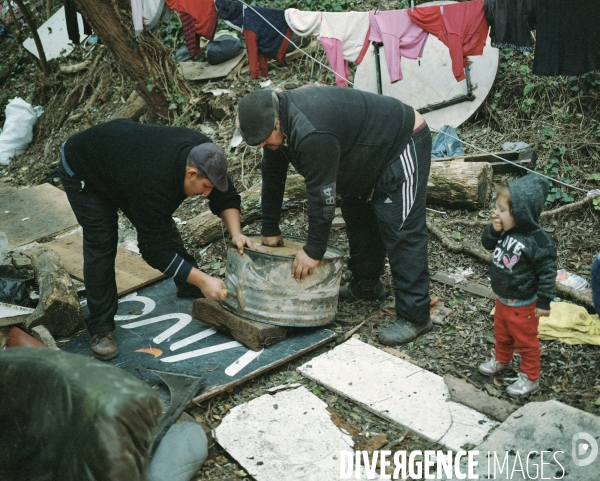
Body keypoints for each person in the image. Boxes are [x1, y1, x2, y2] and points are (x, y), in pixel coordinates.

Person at [236, 87, 432, 345]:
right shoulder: (278, 125)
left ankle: (416, 315)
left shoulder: (310, 132)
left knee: (401, 226)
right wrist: (269, 227)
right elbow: (272, 175)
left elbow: (322, 195)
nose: (263, 145)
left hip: (400, 142)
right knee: (357, 213)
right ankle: (367, 285)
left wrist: (313, 250)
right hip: (361, 151)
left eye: (264, 139)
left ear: (277, 121)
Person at [58, 119, 256, 360]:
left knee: (157, 221)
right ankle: (100, 328)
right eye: (204, 187)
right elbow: (154, 251)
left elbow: (226, 195)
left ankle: (188, 282)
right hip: (85, 167)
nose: (207, 194)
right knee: (102, 241)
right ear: (191, 173)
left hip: (125, 165)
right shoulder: (152, 183)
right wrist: (204, 280)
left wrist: (237, 233)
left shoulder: (205, 155)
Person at [479, 175, 557, 397]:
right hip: (502, 300)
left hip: (523, 306)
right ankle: (502, 361)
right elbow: (486, 244)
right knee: (502, 335)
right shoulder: (505, 230)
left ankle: (531, 377)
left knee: (526, 342)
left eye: (502, 210)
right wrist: (494, 230)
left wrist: (544, 301)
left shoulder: (539, 242)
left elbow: (548, 273)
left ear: (521, 212)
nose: (496, 213)